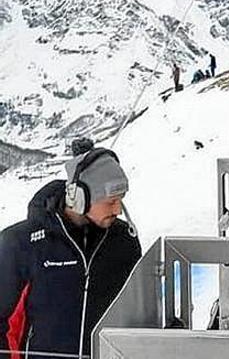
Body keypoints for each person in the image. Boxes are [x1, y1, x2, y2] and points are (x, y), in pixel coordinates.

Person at [0, 141, 141, 359]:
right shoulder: (20, 243)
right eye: (111, 201)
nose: (118, 209)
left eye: (120, 200)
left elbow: (135, 311)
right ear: (79, 198)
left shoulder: (123, 241)